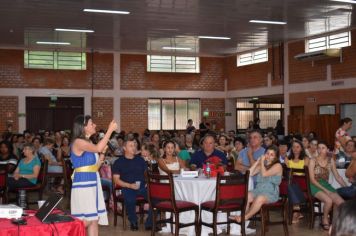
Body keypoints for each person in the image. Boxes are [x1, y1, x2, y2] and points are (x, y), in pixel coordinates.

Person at [70, 115, 117, 236]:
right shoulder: (78, 142)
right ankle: (68, 231)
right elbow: (98, 147)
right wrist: (110, 130)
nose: (94, 125)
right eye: (91, 123)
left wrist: (102, 154)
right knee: (87, 220)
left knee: (94, 218)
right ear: (83, 127)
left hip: (93, 182)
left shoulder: (88, 142)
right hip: (83, 183)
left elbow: (95, 167)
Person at [229, 145, 283, 222]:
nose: (268, 156)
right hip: (258, 190)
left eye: (272, 154)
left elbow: (264, 174)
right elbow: (249, 173)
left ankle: (244, 218)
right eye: (267, 153)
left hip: (270, 193)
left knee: (259, 198)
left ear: (275, 157)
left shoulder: (278, 166)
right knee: (247, 195)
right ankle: (243, 218)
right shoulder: (262, 165)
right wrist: (257, 162)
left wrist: (261, 163)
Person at [112, 138, 152, 231]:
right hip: (127, 187)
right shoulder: (119, 162)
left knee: (156, 198)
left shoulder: (140, 160)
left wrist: (147, 182)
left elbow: (146, 174)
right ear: (124, 148)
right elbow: (116, 180)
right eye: (131, 146)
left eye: (134, 145)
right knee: (130, 199)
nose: (134, 148)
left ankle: (149, 223)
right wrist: (129, 185)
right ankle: (133, 221)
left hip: (142, 187)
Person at [308, 142, 346, 230]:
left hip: (325, 184)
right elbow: (312, 180)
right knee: (329, 201)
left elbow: (337, 177)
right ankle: (325, 219)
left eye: (323, 148)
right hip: (314, 185)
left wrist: (345, 187)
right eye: (319, 148)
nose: (320, 150)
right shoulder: (312, 160)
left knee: (342, 203)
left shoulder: (330, 160)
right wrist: (326, 190)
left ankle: (335, 221)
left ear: (328, 150)